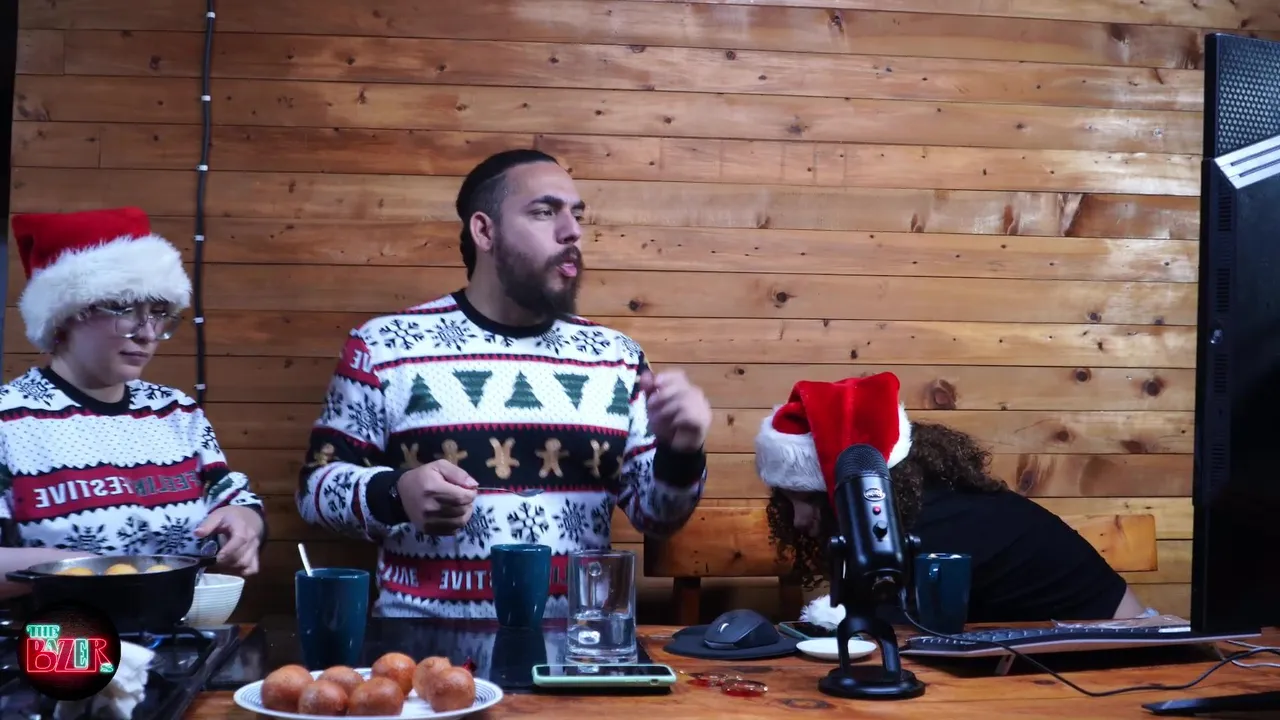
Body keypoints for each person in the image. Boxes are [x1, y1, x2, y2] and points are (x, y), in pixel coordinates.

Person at [297, 149, 712, 618]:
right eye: (544, 212)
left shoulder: (616, 357)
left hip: (578, 646)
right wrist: (396, 494)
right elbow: (314, 491)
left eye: (576, 215)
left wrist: (682, 451)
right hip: (424, 648)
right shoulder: (385, 347)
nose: (572, 231)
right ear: (484, 231)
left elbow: (659, 517)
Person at [0, 207, 267, 599]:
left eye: (158, 313)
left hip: (182, 631)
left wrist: (245, 522)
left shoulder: (177, 412)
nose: (148, 334)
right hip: (58, 633)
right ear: (65, 316)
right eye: (124, 309)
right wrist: (83, 570)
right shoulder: (9, 421)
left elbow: (234, 500)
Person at [753, 371, 1149, 625]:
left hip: (1119, 648)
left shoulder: (936, 524)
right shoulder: (916, 505)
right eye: (787, 502)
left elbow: (890, 637)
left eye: (807, 500)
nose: (798, 520)